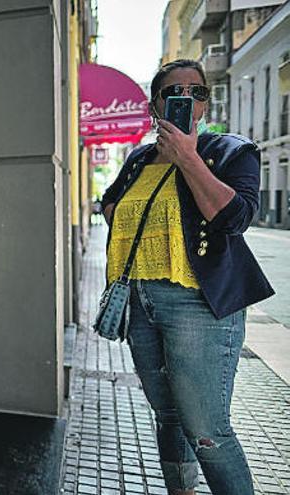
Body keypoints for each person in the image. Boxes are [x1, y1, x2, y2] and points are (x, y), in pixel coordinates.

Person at [101, 59, 274, 495]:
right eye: (173, 92)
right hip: (142, 302)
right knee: (169, 417)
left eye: (197, 92)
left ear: (204, 105)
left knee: (207, 430)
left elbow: (234, 218)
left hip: (198, 305)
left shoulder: (232, 152)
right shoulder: (140, 157)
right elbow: (110, 204)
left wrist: (188, 158)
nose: (187, 100)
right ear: (154, 105)